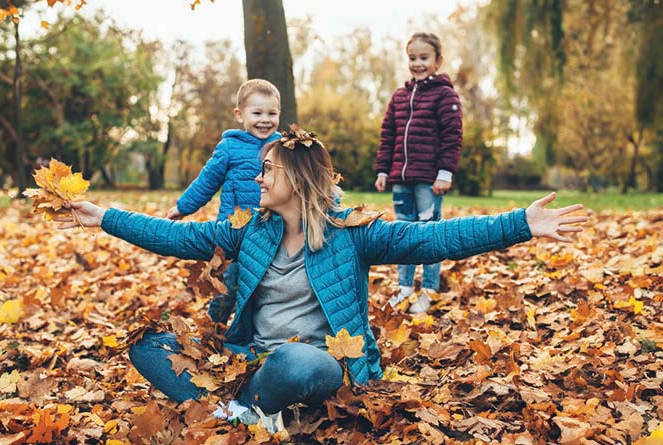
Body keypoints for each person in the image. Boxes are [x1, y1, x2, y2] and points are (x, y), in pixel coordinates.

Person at [58, 126, 586, 427]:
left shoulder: (352, 232)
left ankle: (236, 413)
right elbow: (175, 238)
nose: (257, 177)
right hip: (248, 362)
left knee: (301, 359)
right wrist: (101, 216)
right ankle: (241, 411)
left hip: (318, 368)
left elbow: (436, 238)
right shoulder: (250, 229)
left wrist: (522, 224)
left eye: (267, 170)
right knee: (147, 344)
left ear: (297, 177)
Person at [166, 79, 281, 323]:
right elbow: (207, 181)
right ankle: (213, 329)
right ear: (240, 115)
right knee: (228, 288)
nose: (265, 120)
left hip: (271, 232)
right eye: (257, 113)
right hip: (233, 234)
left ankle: (253, 335)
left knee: (264, 289)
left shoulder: (282, 148)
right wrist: (183, 207)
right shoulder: (230, 147)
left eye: (272, 113)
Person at [375, 32, 463, 314]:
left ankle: (429, 288)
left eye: (423, 58)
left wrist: (445, 172)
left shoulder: (445, 95)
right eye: (412, 58)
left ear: (438, 61)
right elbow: (387, 135)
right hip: (401, 179)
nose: (417, 63)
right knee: (403, 233)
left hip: (429, 180)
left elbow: (452, 136)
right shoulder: (400, 96)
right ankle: (403, 287)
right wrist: (382, 170)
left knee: (429, 234)